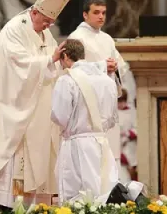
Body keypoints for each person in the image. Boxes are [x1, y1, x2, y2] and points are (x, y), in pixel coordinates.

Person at [0, 0, 71, 207]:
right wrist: (50, 60)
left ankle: (36, 204)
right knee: (17, 159)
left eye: (51, 22)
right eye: (46, 20)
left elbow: (52, 60)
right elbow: (18, 65)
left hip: (40, 106)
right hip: (17, 104)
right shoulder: (14, 30)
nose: (48, 26)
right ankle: (10, 204)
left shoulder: (44, 32)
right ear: (35, 12)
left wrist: (59, 63)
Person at [68, 0, 136, 171]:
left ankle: (111, 192)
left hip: (108, 99)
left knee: (110, 151)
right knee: (93, 155)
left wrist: (115, 68)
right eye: (96, 12)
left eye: (104, 13)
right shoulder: (77, 38)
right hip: (88, 101)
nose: (101, 17)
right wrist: (102, 66)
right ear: (85, 15)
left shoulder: (106, 38)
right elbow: (70, 67)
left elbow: (121, 66)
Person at [51, 39, 118, 203]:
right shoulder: (107, 81)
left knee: (77, 198)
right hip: (102, 143)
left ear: (65, 56)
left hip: (76, 146)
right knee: (102, 195)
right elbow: (112, 118)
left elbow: (59, 116)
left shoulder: (66, 80)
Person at [117, 89, 137, 183]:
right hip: (117, 144)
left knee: (131, 170)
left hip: (129, 145)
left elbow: (137, 129)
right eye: (118, 102)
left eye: (122, 101)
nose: (120, 104)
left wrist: (127, 134)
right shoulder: (114, 113)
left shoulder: (132, 113)